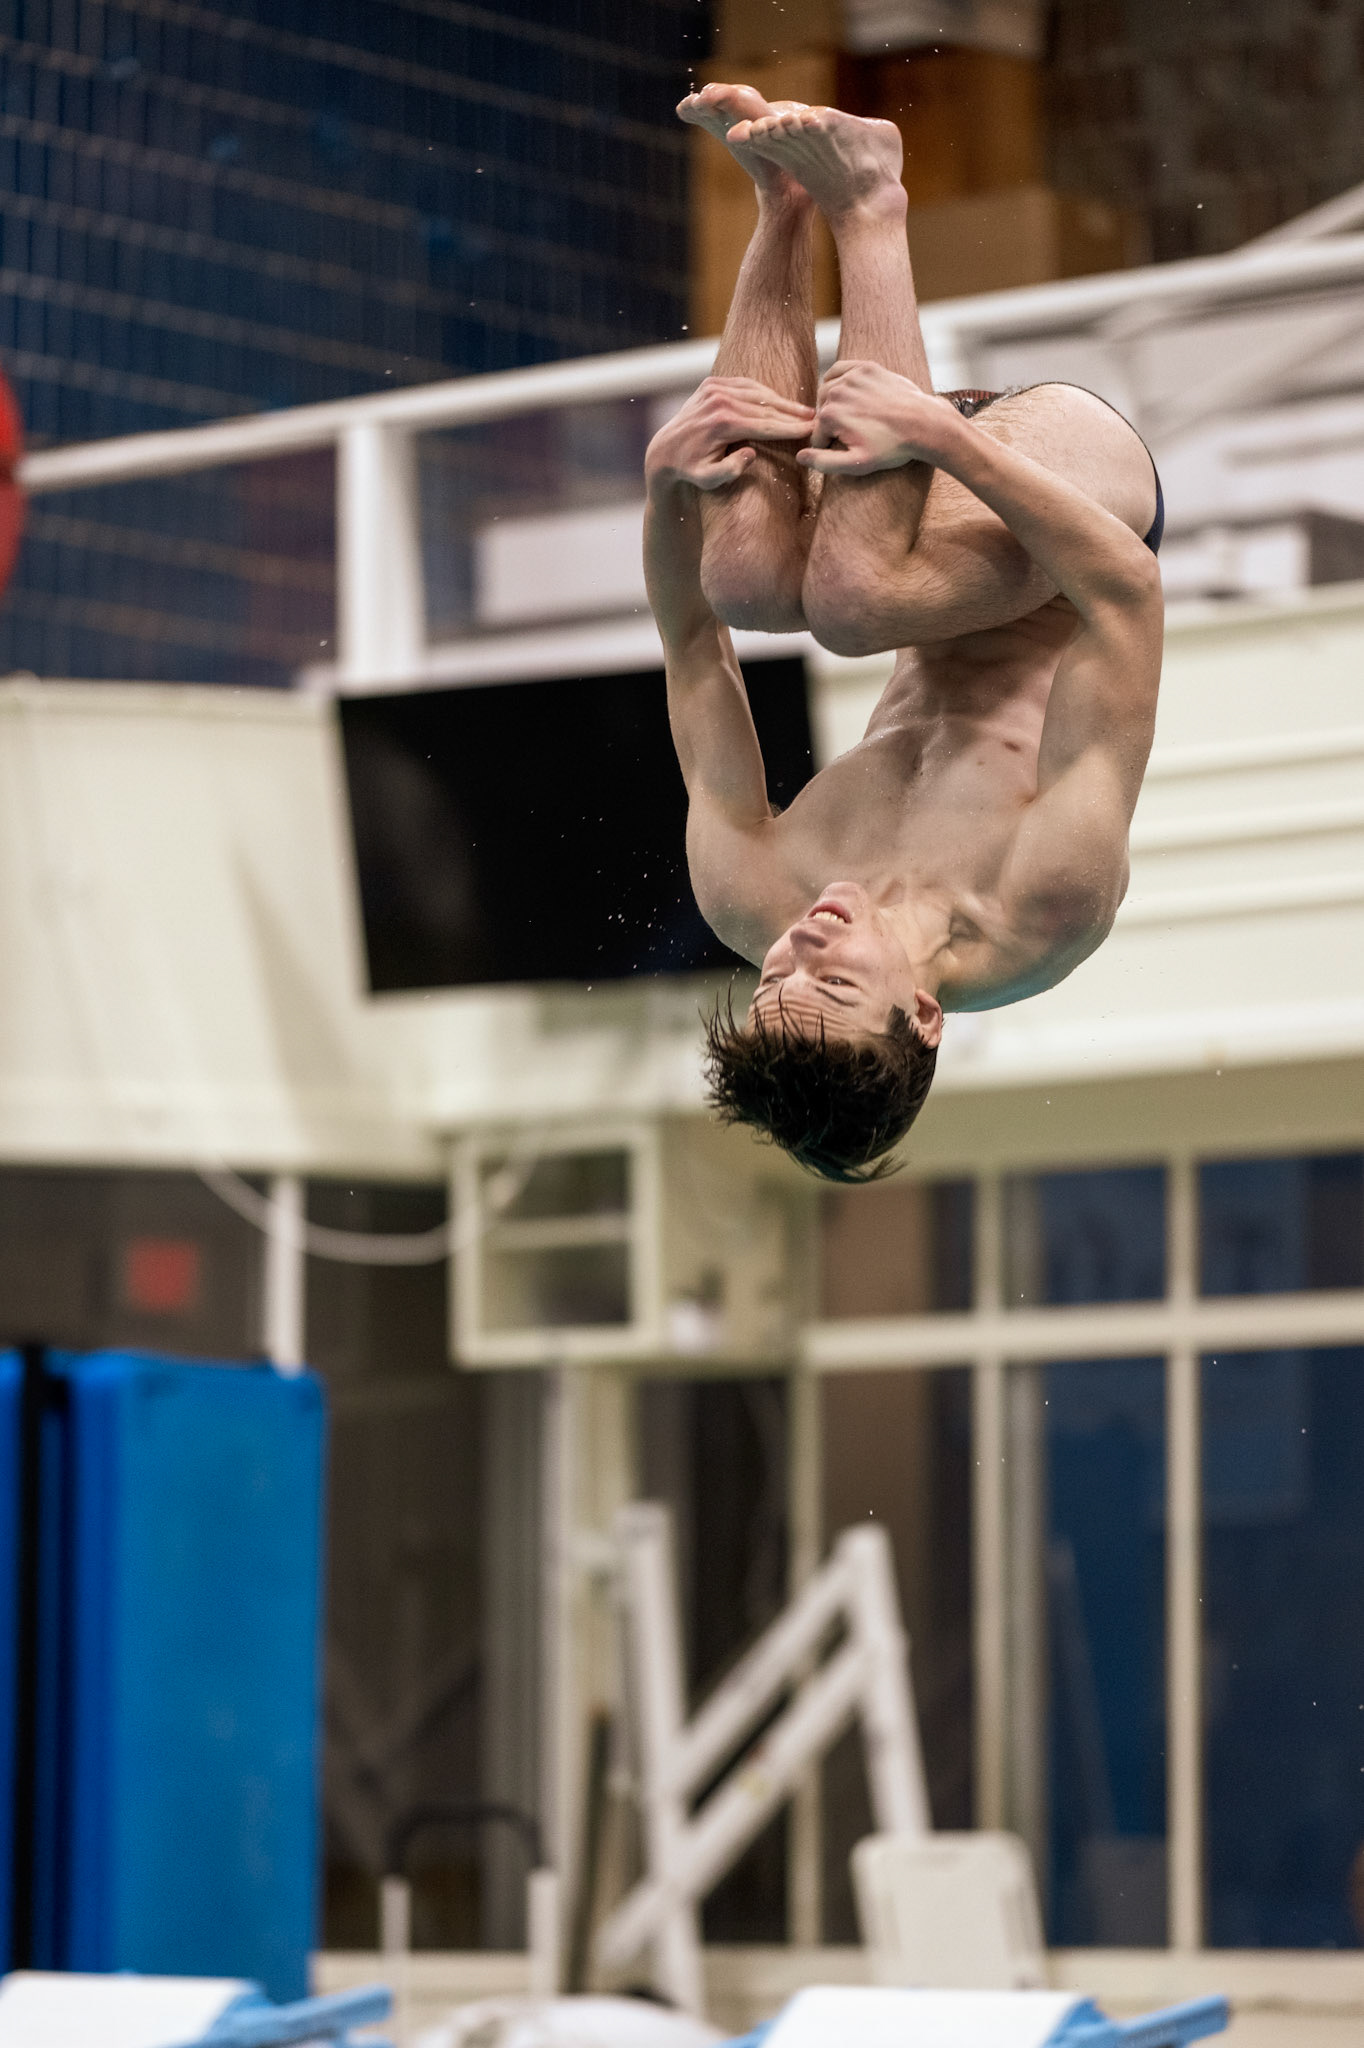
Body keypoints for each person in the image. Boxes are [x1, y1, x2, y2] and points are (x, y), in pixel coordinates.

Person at [644, 86, 1165, 1182]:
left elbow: (694, 648)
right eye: (834, 982)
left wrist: (664, 486)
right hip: (1070, 489)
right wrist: (945, 438)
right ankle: (871, 196)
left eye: (778, 974)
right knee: (849, 604)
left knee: (739, 575)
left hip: (908, 501)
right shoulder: (1044, 901)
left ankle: (780, 203)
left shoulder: (752, 896)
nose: (806, 942)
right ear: (921, 1014)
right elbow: (1125, 593)